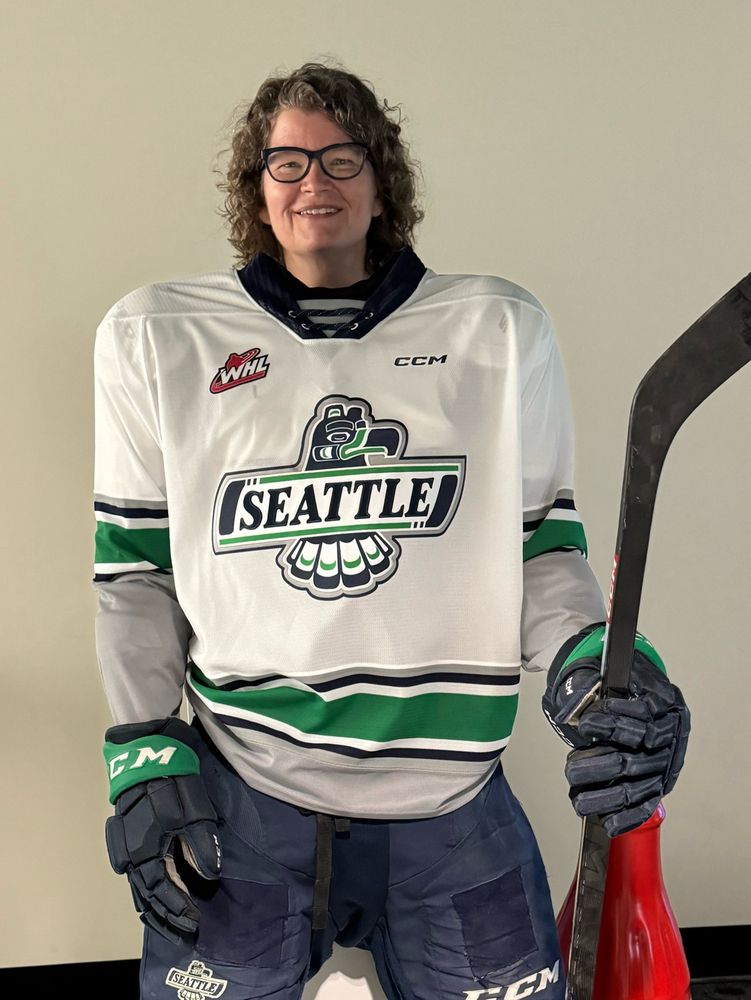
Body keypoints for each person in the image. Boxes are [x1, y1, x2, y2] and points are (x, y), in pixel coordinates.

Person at [94, 61, 690, 1000]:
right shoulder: (156, 334)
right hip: (249, 785)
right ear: (255, 184)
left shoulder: (496, 326)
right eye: (285, 162)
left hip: (448, 804)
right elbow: (135, 572)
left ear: (382, 182)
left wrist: (596, 660)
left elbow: (541, 548)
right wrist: (141, 744)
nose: (314, 182)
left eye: (340, 157)